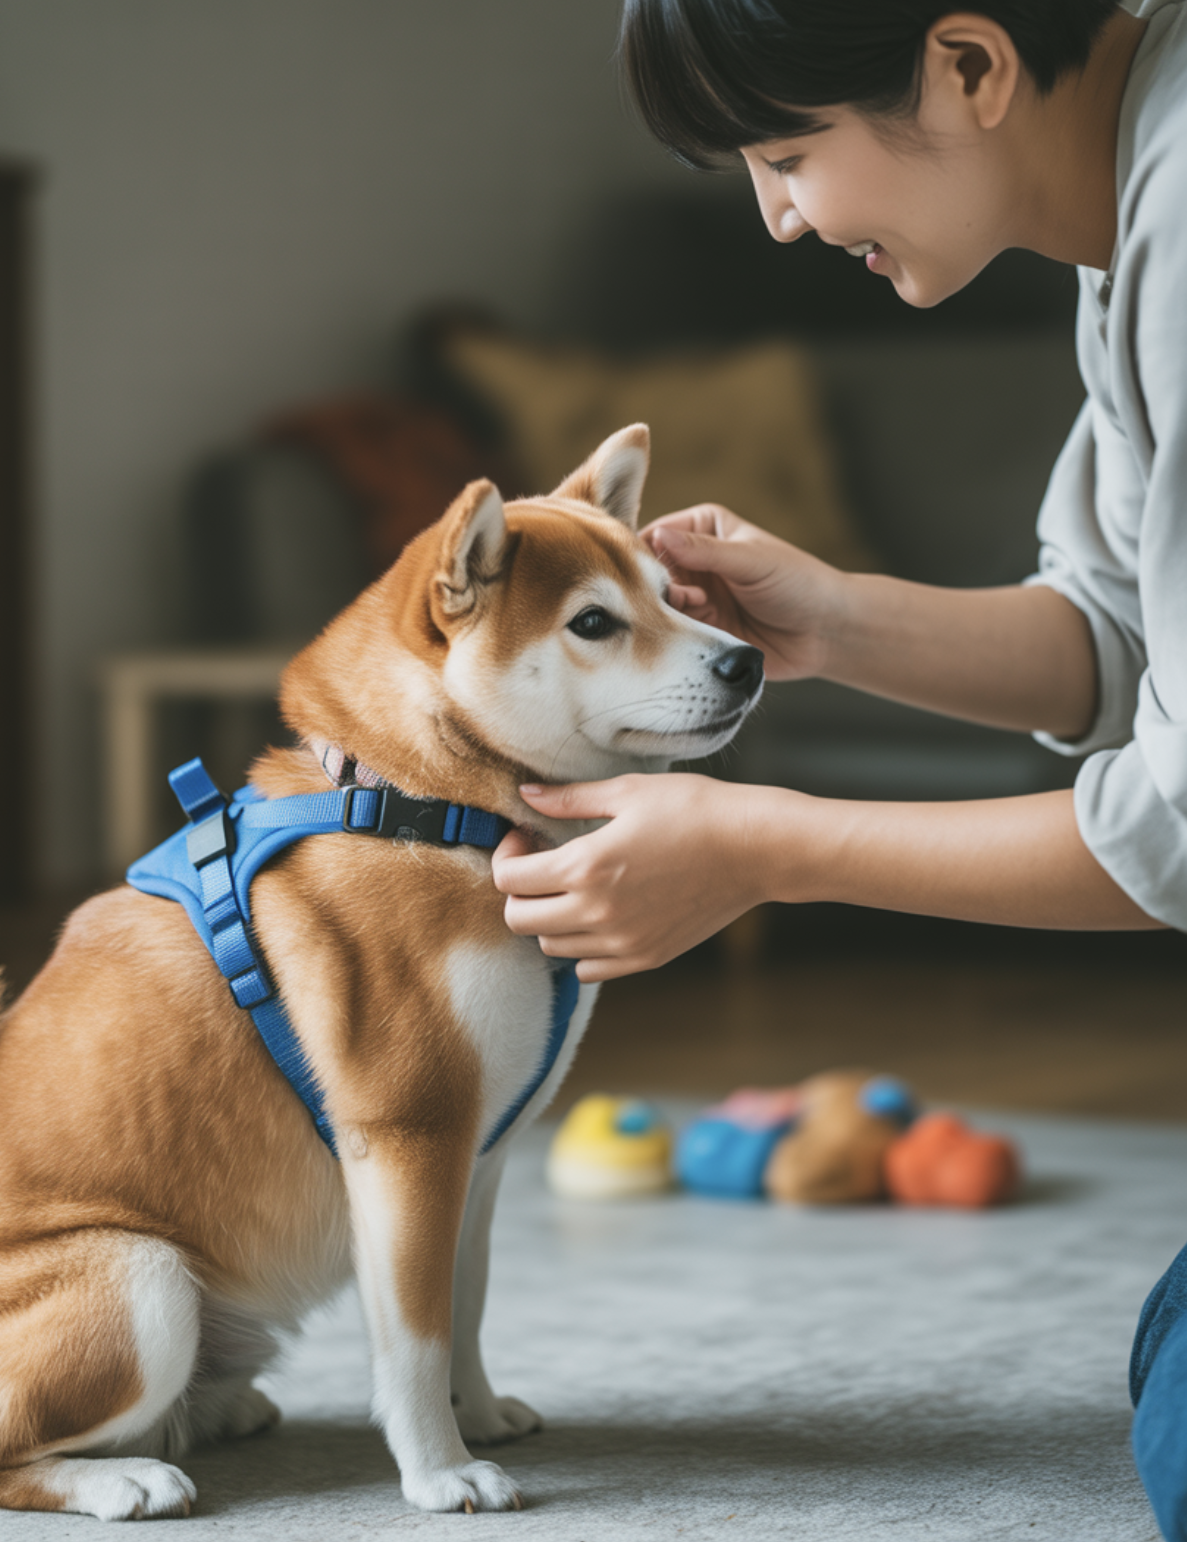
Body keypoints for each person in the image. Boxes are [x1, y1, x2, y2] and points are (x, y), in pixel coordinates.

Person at [488, 2, 1187, 1536]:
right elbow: (1118, 643)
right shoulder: (1121, 219)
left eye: (789, 153)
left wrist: (763, 846)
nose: (780, 218)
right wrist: (836, 617)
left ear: (970, 63)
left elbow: (1185, 824)